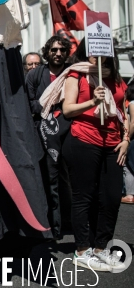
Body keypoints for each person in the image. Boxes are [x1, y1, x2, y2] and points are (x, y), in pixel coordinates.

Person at [49, 38, 128, 272]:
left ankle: (102, 247)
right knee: (84, 197)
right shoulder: (77, 74)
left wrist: (126, 140)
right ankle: (82, 250)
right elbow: (68, 109)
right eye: (92, 49)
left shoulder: (115, 77)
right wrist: (94, 100)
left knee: (112, 198)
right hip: (83, 140)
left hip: (113, 144)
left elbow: (123, 112)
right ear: (86, 51)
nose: (96, 54)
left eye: (101, 49)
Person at [25, 36, 73, 239]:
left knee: (71, 181)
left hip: (71, 133)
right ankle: (54, 226)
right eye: (54, 50)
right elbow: (27, 102)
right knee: (50, 181)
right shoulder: (36, 75)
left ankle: (71, 222)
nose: (58, 53)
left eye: (62, 50)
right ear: (48, 52)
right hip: (44, 135)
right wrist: (49, 103)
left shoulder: (73, 75)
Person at [123, 83, 134, 205]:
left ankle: (130, 194)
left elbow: (133, 123)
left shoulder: (132, 104)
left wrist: (127, 138)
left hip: (133, 139)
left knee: (128, 166)